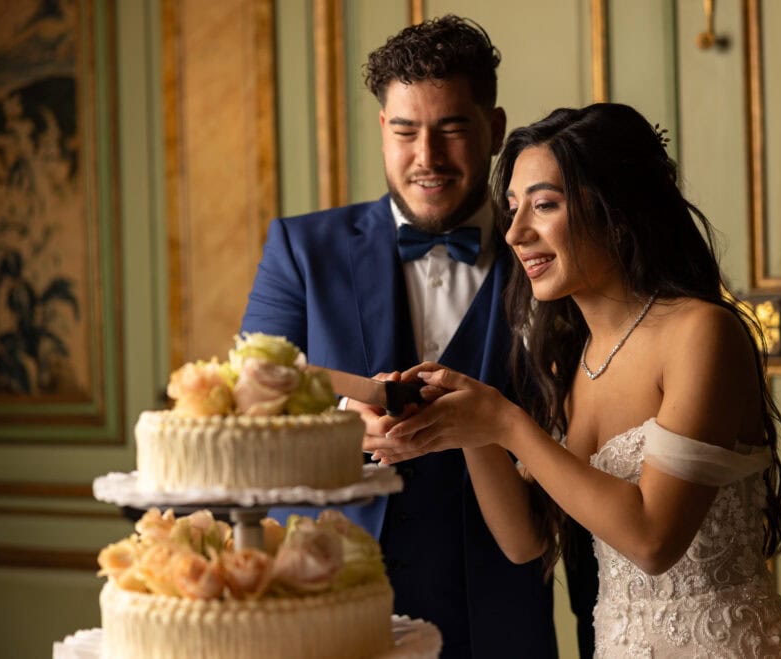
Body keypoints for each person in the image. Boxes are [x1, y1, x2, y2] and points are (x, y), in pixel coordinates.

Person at [374, 103, 781, 657]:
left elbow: (654, 541)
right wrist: (472, 426)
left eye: (544, 205)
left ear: (616, 209)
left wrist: (507, 423)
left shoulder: (701, 334)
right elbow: (524, 541)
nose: (515, 233)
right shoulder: (569, 359)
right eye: (512, 209)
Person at [240, 15, 598, 659]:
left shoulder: (558, 257)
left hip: (499, 618)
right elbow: (247, 412)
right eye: (405, 132)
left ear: (493, 130)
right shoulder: (301, 249)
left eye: (451, 129)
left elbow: (591, 448)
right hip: (329, 607)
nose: (426, 158)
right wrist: (343, 426)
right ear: (383, 130)